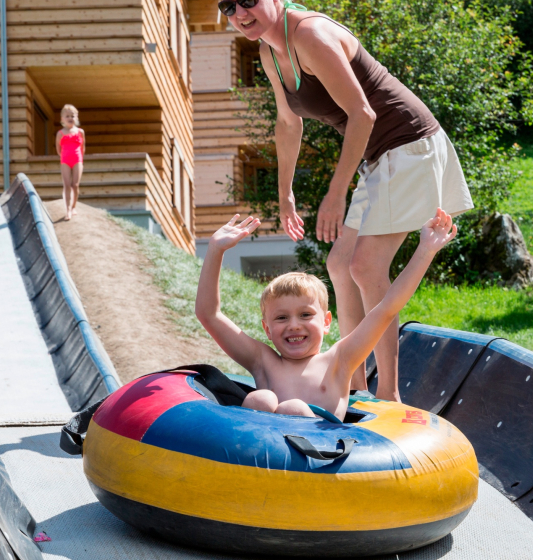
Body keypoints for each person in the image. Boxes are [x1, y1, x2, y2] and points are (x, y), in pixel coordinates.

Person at [219, 0, 473, 401]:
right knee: (339, 264)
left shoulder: (310, 35)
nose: (239, 13)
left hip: (409, 145)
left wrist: (336, 193)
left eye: (248, 0)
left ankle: (388, 395)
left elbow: (362, 114)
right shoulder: (269, 51)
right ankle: (354, 387)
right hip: (379, 157)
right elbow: (288, 123)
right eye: (227, 6)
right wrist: (285, 194)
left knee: (365, 266)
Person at [195, 210, 457, 419]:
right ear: (267, 329)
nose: (294, 325)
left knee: (293, 408)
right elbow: (209, 314)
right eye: (282, 318)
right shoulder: (263, 362)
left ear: (327, 322)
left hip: (321, 454)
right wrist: (215, 250)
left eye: (305, 315)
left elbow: (387, 307)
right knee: (260, 399)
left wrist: (425, 251)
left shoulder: (340, 360)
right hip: (264, 453)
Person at [55, 104, 85, 220]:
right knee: (67, 184)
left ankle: (73, 207)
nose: (70, 118)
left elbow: (83, 147)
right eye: (67, 116)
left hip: (77, 160)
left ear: (76, 117)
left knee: (75, 185)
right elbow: (58, 149)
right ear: (62, 119)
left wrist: (80, 159)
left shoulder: (80, 132)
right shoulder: (60, 133)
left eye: (72, 116)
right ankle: (67, 209)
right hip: (65, 160)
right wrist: (64, 157)